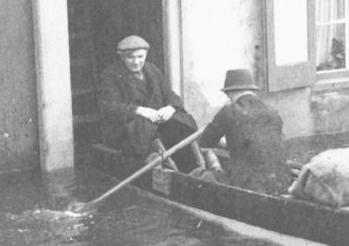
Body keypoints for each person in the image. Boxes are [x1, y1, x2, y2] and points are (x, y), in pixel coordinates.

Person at [98, 35, 199, 172]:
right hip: (127, 129)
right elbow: (110, 107)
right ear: (122, 57)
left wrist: (170, 108)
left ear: (146, 55)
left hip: (154, 124)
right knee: (144, 128)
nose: (136, 62)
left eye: (140, 57)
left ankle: (198, 165)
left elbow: (169, 94)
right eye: (131, 57)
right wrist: (140, 110)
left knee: (182, 119)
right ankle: (173, 170)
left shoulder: (153, 70)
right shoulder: (111, 75)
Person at [198, 69, 292, 195]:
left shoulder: (229, 111)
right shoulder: (273, 113)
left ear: (229, 93)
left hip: (248, 185)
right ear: (253, 91)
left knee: (199, 175)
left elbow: (205, 142)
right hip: (280, 182)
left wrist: (224, 142)